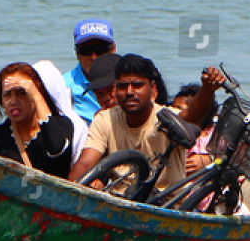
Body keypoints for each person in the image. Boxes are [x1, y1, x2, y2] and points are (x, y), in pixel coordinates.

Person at [69, 56, 223, 193]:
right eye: (122, 86)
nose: (129, 92)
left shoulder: (166, 117)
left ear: (153, 89)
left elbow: (192, 116)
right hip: (119, 201)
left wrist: (207, 89)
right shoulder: (104, 119)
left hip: (165, 205)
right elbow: (85, 162)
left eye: (137, 85)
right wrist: (70, 190)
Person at [0, 62, 77, 179]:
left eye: (21, 93)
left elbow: (56, 148)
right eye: (7, 95)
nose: (13, 101)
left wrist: (37, 97)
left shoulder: (62, 125)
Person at [62, 19, 116, 124]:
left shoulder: (126, 81)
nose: (93, 57)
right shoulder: (64, 86)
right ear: (77, 53)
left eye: (100, 49)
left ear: (113, 49)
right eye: (85, 51)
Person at [172, 82, 219, 176]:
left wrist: (210, 161)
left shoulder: (214, 135)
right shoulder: (170, 134)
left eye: (178, 109)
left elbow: (234, 158)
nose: (174, 114)